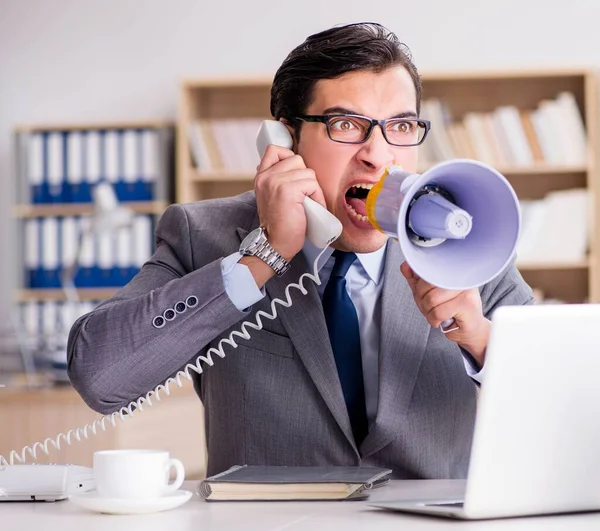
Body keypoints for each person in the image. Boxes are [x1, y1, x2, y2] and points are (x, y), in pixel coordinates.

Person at [67, 22, 534, 479]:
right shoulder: (203, 234)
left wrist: (481, 338)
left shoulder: (470, 247)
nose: (378, 154)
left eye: (401, 125)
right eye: (347, 124)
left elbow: (572, 406)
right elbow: (100, 378)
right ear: (287, 139)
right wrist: (262, 258)